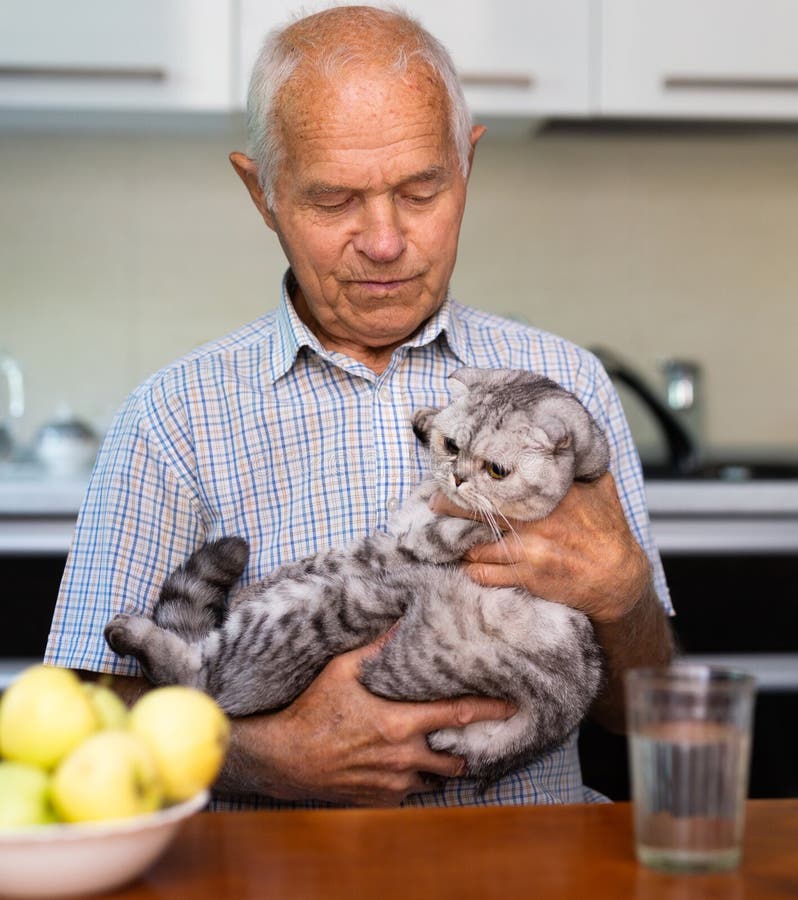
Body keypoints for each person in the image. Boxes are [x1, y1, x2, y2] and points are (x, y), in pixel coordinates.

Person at [45, 5, 674, 809]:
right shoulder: (173, 418)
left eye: (421, 190)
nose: (384, 241)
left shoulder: (565, 392)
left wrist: (623, 596)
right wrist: (260, 755)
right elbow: (81, 718)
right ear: (261, 192)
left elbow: (643, 716)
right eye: (335, 200)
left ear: (466, 166)